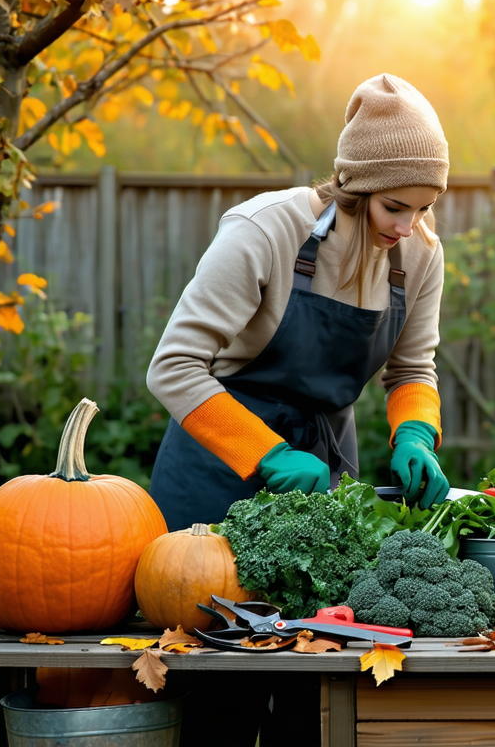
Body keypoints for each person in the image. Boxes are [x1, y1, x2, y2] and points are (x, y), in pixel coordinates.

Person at [147, 73, 452, 534]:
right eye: (395, 207)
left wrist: (415, 432)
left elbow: (411, 369)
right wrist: (267, 453)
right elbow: (173, 366)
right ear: (358, 185)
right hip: (217, 475)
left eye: (424, 208)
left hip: (322, 476)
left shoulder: (419, 254)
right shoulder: (263, 231)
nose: (409, 227)